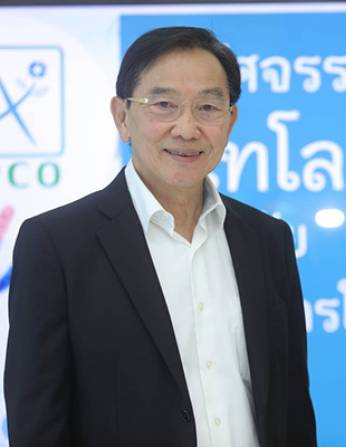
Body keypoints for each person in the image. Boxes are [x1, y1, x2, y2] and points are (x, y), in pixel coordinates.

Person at [5, 26, 316, 447]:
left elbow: (292, 406)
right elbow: (37, 422)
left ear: (230, 120)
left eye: (208, 107)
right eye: (164, 105)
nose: (186, 128)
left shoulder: (268, 239)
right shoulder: (56, 244)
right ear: (122, 116)